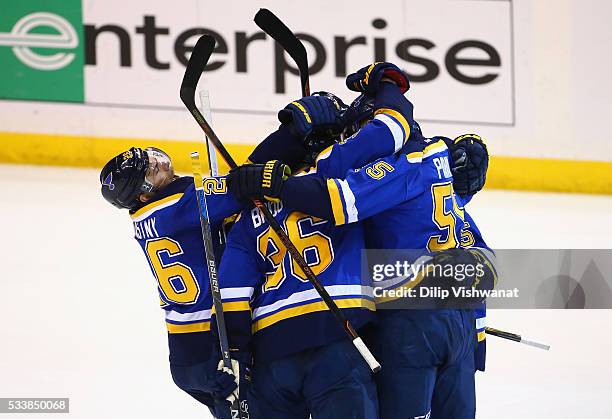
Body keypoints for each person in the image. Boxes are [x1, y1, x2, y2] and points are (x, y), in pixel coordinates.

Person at [228, 62, 495, 419]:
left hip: (411, 321)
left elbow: (335, 197)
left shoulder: (392, 168)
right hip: (459, 318)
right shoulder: (438, 164)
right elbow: (476, 253)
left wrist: (276, 176)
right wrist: (476, 339)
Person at [99, 147, 243, 419]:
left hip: (185, 357)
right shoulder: (178, 205)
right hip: (214, 346)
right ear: (143, 194)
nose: (160, 165)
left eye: (152, 160)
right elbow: (245, 188)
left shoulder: (148, 215)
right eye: (152, 170)